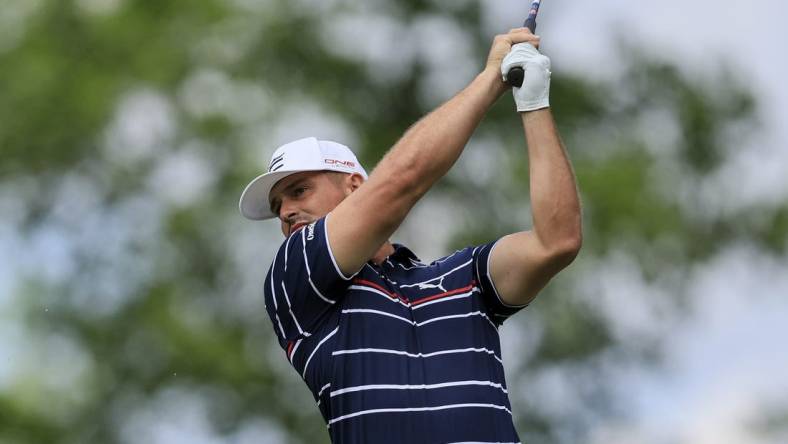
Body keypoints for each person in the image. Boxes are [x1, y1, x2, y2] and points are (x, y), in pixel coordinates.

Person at [239, 28, 581, 443]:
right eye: (278, 207)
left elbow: (556, 241)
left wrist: (533, 102)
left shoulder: (463, 277)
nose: (287, 211)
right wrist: (492, 78)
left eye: (299, 190)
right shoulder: (296, 275)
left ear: (353, 186)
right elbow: (403, 181)